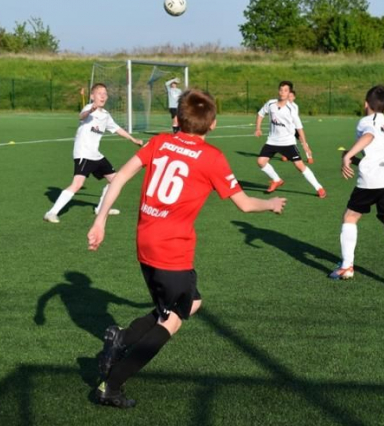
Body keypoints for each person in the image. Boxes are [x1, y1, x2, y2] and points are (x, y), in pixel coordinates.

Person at [87, 89, 287, 408]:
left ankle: (121, 338)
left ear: (177, 120)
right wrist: (271, 203)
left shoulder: (160, 142)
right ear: (213, 124)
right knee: (172, 320)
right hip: (172, 250)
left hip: (146, 240)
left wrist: (100, 221)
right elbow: (245, 204)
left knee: (192, 301)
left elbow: (120, 177)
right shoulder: (212, 158)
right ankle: (110, 385)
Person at [330, 85, 384, 292]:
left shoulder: (367, 121)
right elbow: (377, 154)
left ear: (365, 104)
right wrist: (355, 159)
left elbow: (368, 136)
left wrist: (348, 155)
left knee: (350, 217)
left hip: (373, 180)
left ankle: (346, 267)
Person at [44, 82, 143, 224]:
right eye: (99, 93)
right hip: (84, 153)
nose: (103, 96)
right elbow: (81, 116)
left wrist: (133, 139)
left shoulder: (106, 115)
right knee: (77, 184)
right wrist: (90, 110)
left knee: (116, 180)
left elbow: (117, 129)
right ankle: (51, 213)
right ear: (92, 96)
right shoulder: (89, 108)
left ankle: (101, 208)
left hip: (95, 155)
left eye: (105, 94)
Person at [255, 80, 325, 198]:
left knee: (300, 166)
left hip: (288, 142)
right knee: (261, 161)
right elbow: (260, 114)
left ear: (289, 93)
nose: (282, 92)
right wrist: (258, 128)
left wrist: (305, 144)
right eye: (281, 90)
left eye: (286, 90)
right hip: (272, 141)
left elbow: (299, 127)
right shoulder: (270, 103)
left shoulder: (291, 109)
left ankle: (319, 188)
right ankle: (277, 180)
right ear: (278, 91)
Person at [281, 90, 313, 164]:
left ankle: (309, 156)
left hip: (295, 127)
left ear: (294, 97)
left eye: (291, 96)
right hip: (286, 128)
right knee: (285, 141)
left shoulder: (295, 106)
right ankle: (285, 155)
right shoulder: (283, 105)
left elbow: (296, 118)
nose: (289, 98)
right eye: (288, 96)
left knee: (302, 140)